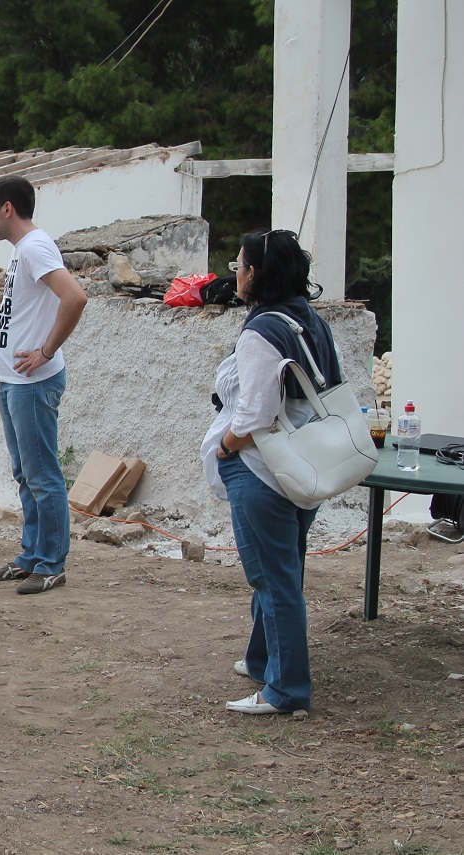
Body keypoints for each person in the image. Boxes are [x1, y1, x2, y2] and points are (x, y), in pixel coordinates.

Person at [201, 228, 339, 715]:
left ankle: (285, 691)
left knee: (273, 579)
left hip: (263, 468)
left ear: (256, 273)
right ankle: (262, 659)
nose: (234, 271)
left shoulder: (262, 331)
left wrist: (226, 448)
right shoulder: (309, 321)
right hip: (306, 462)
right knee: (286, 568)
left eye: (239, 263)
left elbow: (256, 413)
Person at [0, 175, 87, 594]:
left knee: (43, 475)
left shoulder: (36, 247)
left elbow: (74, 297)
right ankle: (31, 557)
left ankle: (51, 563)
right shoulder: (24, 250)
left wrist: (45, 350)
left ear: (8, 208)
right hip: (14, 381)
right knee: (26, 474)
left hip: (32, 382)